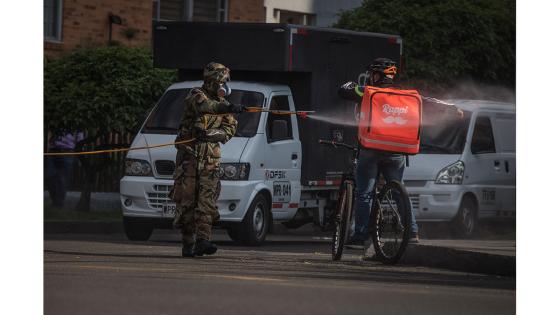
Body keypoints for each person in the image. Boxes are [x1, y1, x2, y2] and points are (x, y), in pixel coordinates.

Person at [338, 58, 420, 246]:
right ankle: (413, 232)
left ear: (376, 75)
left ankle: (361, 235)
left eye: (371, 74)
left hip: (371, 149)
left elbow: (343, 90)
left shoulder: (368, 91)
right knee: (399, 190)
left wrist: (352, 84)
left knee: (365, 193)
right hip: (398, 151)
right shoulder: (404, 95)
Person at [170, 62, 245, 258]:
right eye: (222, 82)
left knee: (207, 201)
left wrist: (214, 134)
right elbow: (205, 106)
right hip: (189, 160)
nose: (225, 86)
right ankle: (188, 242)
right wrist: (226, 107)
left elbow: (229, 131)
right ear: (212, 82)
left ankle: (203, 240)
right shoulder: (196, 94)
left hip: (210, 161)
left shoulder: (224, 106)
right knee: (187, 203)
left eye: (226, 82)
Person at [45, 132, 84, 207]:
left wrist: (79, 154)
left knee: (63, 179)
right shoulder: (57, 122)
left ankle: (58, 204)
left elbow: (80, 140)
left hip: (68, 151)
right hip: (54, 151)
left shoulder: (76, 123)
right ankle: (55, 201)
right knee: (49, 176)